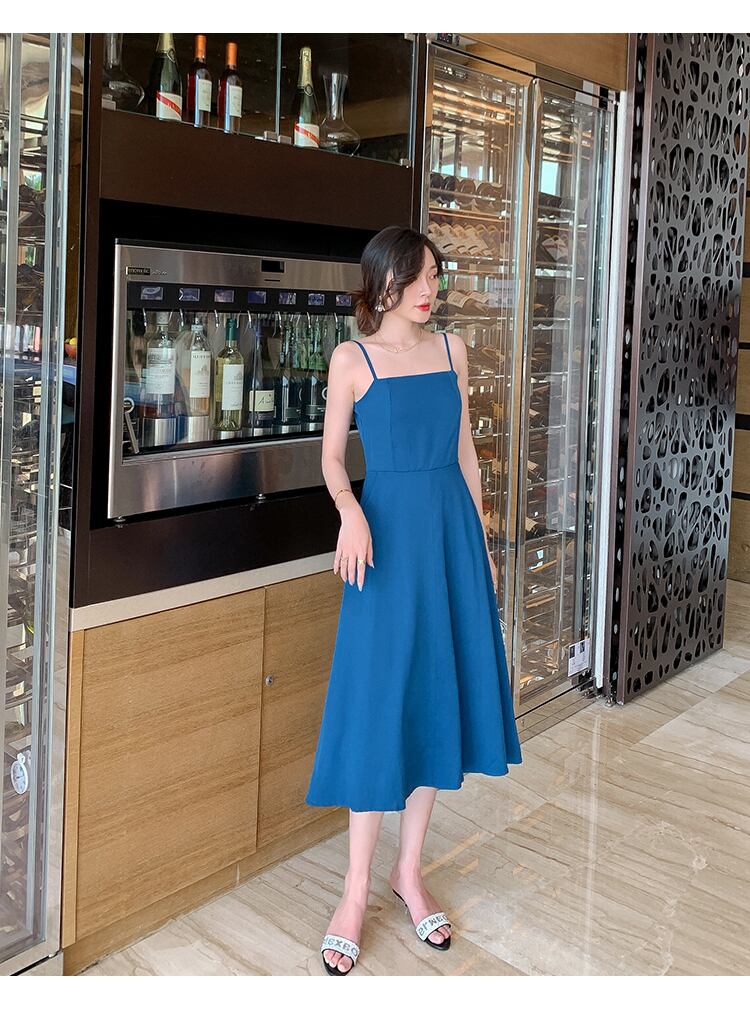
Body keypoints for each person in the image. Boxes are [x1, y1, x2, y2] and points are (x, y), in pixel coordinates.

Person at [305, 225, 523, 975]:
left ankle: (409, 870)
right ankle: (353, 891)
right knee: (379, 705)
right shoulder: (352, 359)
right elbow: (331, 458)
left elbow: (466, 455)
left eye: (435, 275)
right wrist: (350, 511)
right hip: (386, 542)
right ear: (384, 283)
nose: (431, 289)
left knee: (436, 697)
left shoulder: (453, 350)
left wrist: (482, 545)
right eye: (418, 276)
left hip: (450, 539)